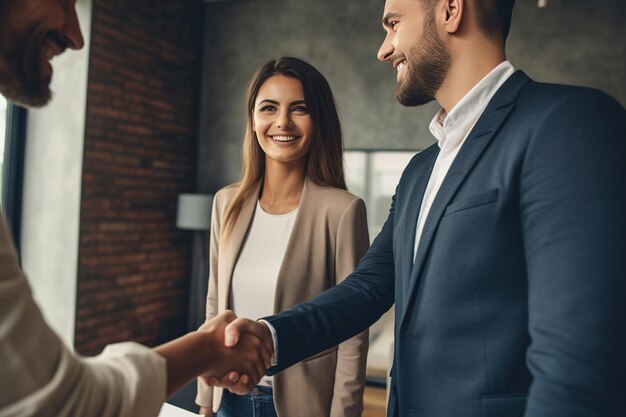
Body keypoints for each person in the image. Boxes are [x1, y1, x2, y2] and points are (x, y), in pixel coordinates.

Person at [211, 0, 626, 416]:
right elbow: (367, 287)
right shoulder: (419, 171)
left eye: (393, 24)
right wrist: (269, 337)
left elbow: (578, 365)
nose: (384, 48)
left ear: (450, 10)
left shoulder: (569, 123)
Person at [0, 1, 270, 416]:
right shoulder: (225, 202)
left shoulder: (340, 211)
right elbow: (63, 402)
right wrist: (207, 353)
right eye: (65, 2)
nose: (77, 35)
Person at [196, 57, 370, 417]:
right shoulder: (225, 203)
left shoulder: (343, 211)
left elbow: (353, 331)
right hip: (229, 401)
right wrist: (205, 403)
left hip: (303, 406)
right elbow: (215, 306)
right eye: (269, 108)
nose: (282, 122)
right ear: (253, 120)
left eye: (299, 109)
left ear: (318, 120)